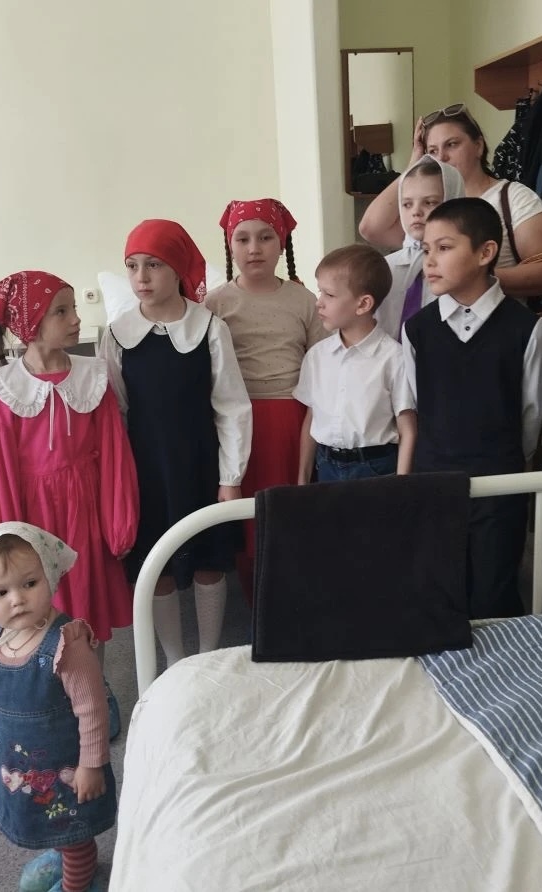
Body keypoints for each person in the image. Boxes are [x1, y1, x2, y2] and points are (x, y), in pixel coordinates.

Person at [0, 271, 139, 737]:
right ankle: (49, 695)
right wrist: (8, 542)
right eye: (61, 311)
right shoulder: (4, 389)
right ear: (30, 323)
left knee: (88, 610)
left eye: (74, 309)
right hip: (33, 519)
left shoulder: (93, 377)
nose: (75, 320)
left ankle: (94, 687)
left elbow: (114, 452)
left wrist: (118, 519)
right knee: (39, 611)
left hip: (85, 514)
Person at [98, 219, 251, 667]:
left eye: (154, 265)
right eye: (132, 266)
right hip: (145, 468)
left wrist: (231, 477)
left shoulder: (209, 328)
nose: (141, 277)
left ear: (178, 268)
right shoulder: (118, 334)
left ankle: (207, 655)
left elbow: (231, 406)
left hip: (201, 464)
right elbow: (117, 410)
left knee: (207, 560)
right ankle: (174, 658)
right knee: (156, 564)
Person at [0, 522, 115, 892]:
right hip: (20, 767)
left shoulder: (67, 644)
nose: (17, 599)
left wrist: (91, 765)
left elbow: (93, 709)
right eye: (0, 592)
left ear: (50, 576)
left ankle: (76, 883)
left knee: (73, 829)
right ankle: (59, 854)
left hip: (68, 768)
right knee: (48, 820)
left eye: (30, 583)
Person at [402, 198, 542, 618]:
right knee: (439, 592)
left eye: (445, 248)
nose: (430, 261)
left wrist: (506, 464)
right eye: (426, 249)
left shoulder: (526, 329)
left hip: (499, 485)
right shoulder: (417, 329)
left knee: (493, 593)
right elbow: (415, 404)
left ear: (485, 253)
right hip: (435, 481)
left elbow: (531, 414)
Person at [205, 198, 327, 597]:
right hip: (238, 424)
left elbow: (322, 361)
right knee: (248, 518)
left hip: (293, 419)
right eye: (242, 239)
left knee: (291, 510)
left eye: (265, 237)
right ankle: (255, 598)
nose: (254, 248)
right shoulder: (215, 303)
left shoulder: (304, 300)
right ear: (230, 244)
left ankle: (296, 594)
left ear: (282, 242)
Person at [359, 104, 542, 300]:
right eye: (432, 151)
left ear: (478, 146)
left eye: (452, 144)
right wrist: (414, 164)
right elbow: (371, 229)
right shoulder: (428, 205)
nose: (441, 157)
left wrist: (473, 277)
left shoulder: (514, 197)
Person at [295, 244, 416, 483]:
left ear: (363, 304)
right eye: (320, 292)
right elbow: (311, 418)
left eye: (329, 295)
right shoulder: (317, 356)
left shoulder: (393, 358)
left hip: (375, 468)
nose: (319, 302)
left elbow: (408, 428)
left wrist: (402, 486)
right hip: (326, 465)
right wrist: (303, 479)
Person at [375, 155, 465, 341]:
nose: (416, 212)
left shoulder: (465, 269)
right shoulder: (383, 268)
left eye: (430, 202)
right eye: (407, 204)